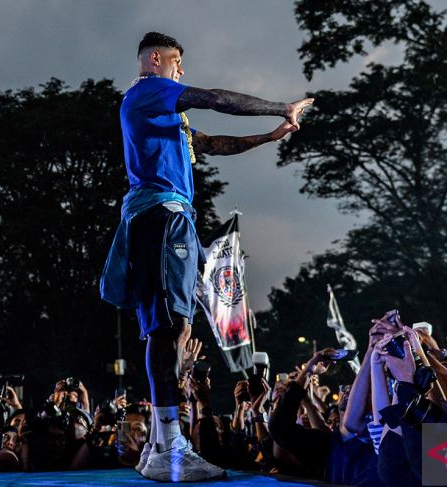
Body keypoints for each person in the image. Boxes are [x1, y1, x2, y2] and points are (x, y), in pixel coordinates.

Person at [99, 32, 313, 482]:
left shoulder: (164, 119)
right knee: (167, 326)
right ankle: (169, 447)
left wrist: (271, 136)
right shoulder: (148, 91)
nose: (181, 73)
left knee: (177, 326)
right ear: (155, 59)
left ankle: (160, 443)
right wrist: (281, 106)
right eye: (176, 63)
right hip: (159, 217)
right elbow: (214, 98)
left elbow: (212, 144)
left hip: (173, 219)